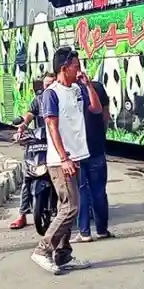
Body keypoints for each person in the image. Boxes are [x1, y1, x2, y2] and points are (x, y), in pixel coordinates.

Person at [33, 47, 102, 274]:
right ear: (64, 68)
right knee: (71, 207)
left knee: (67, 206)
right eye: (75, 66)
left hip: (77, 156)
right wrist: (64, 158)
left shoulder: (77, 89)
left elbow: (96, 108)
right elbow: (52, 127)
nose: (79, 70)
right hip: (61, 161)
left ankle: (63, 255)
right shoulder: (51, 94)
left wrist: (88, 85)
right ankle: (43, 250)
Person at [10, 72, 56, 230]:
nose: (48, 88)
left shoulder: (61, 99)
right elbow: (30, 114)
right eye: (46, 85)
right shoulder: (39, 99)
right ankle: (22, 214)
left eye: (51, 84)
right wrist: (22, 127)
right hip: (40, 141)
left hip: (57, 142)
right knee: (27, 177)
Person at [76, 79, 112, 242]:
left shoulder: (67, 90)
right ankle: (101, 230)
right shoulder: (96, 87)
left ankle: (84, 232)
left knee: (82, 192)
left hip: (78, 150)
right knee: (98, 192)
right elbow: (105, 116)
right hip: (95, 147)